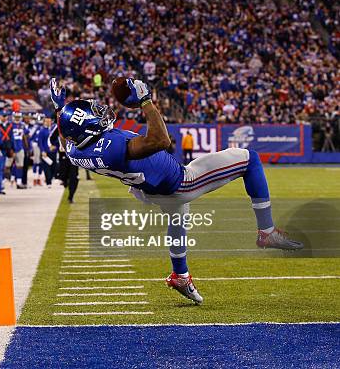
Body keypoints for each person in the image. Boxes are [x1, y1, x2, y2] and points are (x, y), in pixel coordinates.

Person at [51, 77, 303, 304]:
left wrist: (59, 108)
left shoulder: (76, 151)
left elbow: (66, 139)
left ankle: (180, 275)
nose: (102, 113)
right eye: (94, 114)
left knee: (177, 215)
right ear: (87, 127)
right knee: (250, 159)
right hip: (180, 182)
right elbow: (161, 140)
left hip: (149, 189)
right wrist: (146, 101)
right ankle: (267, 231)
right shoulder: (112, 146)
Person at [0, 110, 13, 195]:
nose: (4, 118)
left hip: (6, 149)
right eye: (3, 116)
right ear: (0, 116)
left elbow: (11, 137)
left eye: (6, 116)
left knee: (1, 169)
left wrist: (12, 148)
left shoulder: (9, 125)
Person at [8, 112, 28, 189]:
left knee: (19, 166)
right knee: (7, 166)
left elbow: (25, 136)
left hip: (20, 147)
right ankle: (7, 180)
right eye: (15, 117)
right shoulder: (10, 125)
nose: (17, 118)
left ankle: (18, 182)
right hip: (11, 148)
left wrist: (27, 147)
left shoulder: (22, 125)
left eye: (18, 117)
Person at [38, 115, 56, 188]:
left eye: (49, 121)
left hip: (53, 151)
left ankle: (51, 178)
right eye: (46, 121)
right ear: (44, 122)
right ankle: (48, 182)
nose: (48, 122)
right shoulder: (42, 131)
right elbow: (40, 142)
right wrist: (42, 151)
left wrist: (55, 147)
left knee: (54, 166)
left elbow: (56, 140)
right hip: (46, 152)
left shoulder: (53, 130)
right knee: (47, 167)